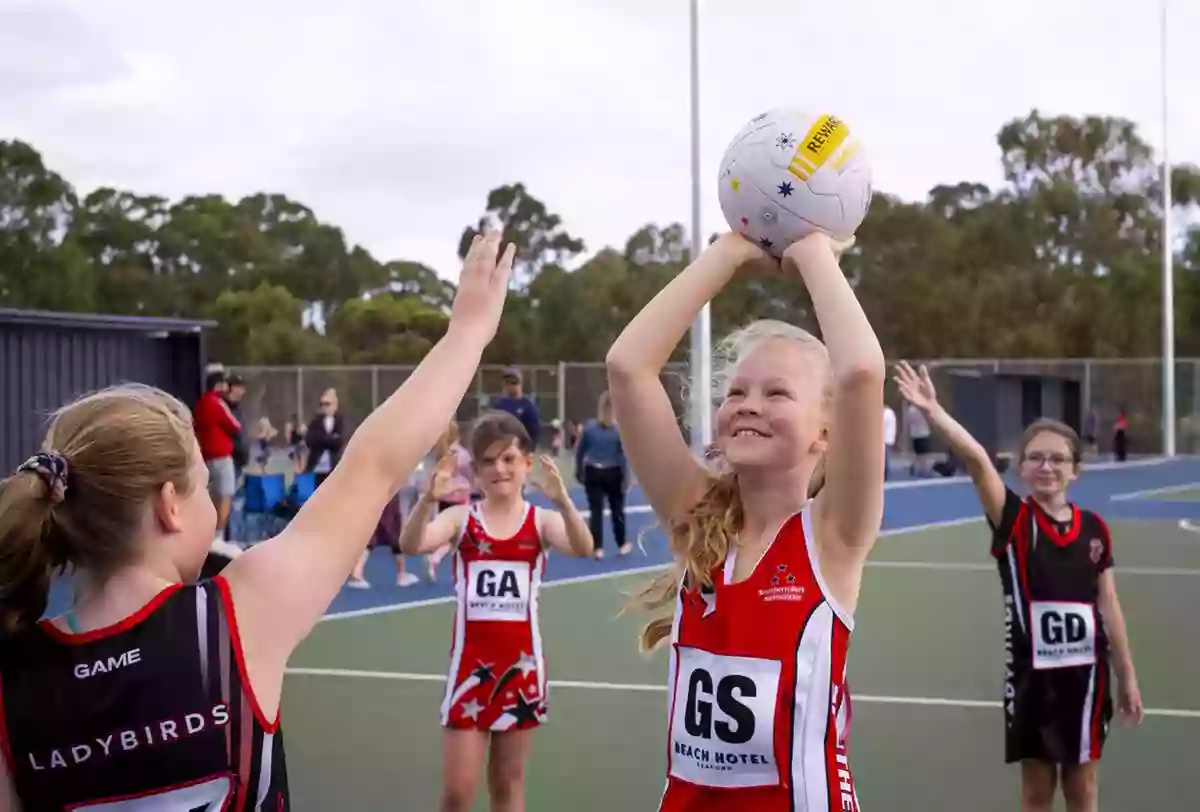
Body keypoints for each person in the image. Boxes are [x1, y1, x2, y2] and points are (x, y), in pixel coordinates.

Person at [0, 231, 515, 810]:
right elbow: (375, 464)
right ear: (170, 505)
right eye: (198, 481)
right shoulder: (233, 621)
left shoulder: (12, 682)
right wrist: (468, 334)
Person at [608, 232, 885, 811]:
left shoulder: (830, 537)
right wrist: (728, 254)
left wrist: (810, 250)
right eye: (737, 391)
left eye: (777, 393)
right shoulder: (699, 519)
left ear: (825, 434)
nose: (749, 403)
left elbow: (861, 371)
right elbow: (628, 367)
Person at [893, 360, 1143, 812]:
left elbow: (1109, 606)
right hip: (1033, 682)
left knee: (1083, 790)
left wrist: (1127, 675)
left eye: (1058, 459)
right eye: (1036, 457)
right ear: (1022, 467)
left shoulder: (1095, 530)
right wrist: (933, 411)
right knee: (1037, 791)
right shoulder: (1015, 521)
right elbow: (975, 460)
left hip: (1087, 680)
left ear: (1075, 471)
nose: (1047, 466)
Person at [398, 411, 594, 812]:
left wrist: (563, 501)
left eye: (508, 459)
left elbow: (583, 546)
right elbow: (412, 544)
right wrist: (426, 500)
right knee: (457, 791)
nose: (499, 469)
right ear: (475, 470)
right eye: (487, 461)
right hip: (469, 673)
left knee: (506, 787)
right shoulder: (461, 519)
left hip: (520, 672)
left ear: (526, 463)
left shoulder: (540, 522)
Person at [575, 391, 630, 559]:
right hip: (612, 472)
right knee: (617, 511)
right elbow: (623, 457)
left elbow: (580, 452)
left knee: (596, 511)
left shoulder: (590, 428)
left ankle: (597, 548)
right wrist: (626, 478)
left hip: (594, 471)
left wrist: (578, 470)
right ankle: (621, 544)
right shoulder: (619, 430)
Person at [194, 369, 241, 545]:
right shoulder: (216, 402)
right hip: (221, 456)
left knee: (212, 497)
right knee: (226, 496)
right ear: (218, 384)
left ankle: (209, 535)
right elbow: (235, 425)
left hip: (206, 458)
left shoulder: (200, 403)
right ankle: (218, 537)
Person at [304, 388, 346, 487]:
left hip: (334, 465)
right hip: (316, 466)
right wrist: (329, 439)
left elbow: (339, 442)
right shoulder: (315, 421)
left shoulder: (340, 421)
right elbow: (309, 440)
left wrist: (321, 439)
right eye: (322, 404)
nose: (324, 407)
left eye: (327, 404)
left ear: (335, 405)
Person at [489, 367, 541, 447]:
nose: (510, 386)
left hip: (520, 449)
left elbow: (535, 432)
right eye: (507, 383)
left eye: (514, 382)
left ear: (521, 384)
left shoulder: (528, 406)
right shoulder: (498, 405)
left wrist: (528, 450)